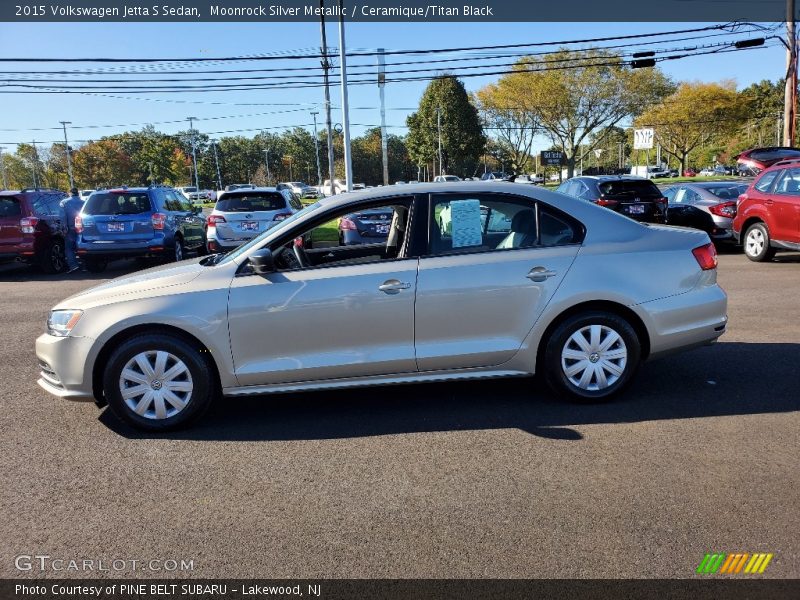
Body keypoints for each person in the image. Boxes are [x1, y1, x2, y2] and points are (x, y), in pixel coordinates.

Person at [60, 188, 84, 273]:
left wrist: (64, 228)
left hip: (70, 228)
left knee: (69, 249)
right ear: (78, 193)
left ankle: (73, 266)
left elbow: (63, 217)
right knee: (82, 246)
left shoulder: (64, 202)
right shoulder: (83, 202)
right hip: (82, 228)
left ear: (70, 193)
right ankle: (85, 265)